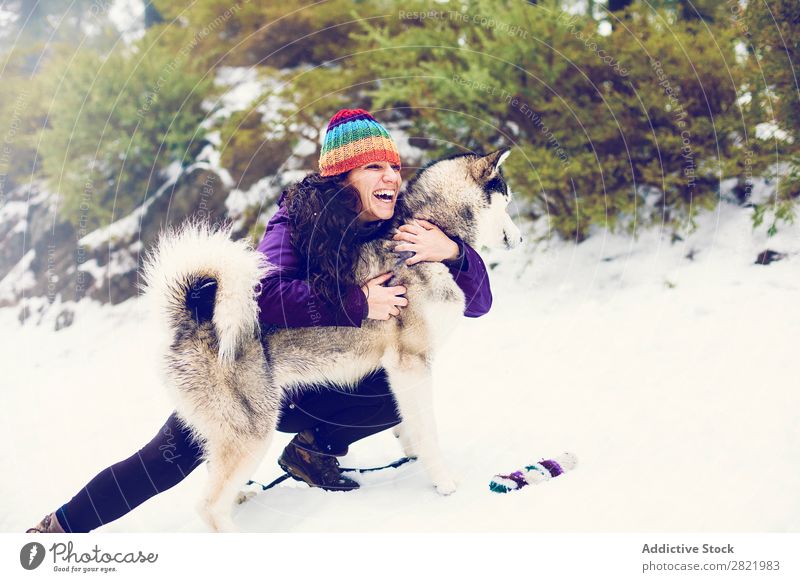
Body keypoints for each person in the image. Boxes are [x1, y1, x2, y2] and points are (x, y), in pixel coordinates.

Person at [27, 108, 493, 533]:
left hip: (308, 370)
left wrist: (454, 253)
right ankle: (58, 529)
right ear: (343, 177)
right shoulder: (296, 219)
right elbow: (261, 293)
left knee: (394, 386)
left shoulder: (403, 225)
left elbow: (477, 305)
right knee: (171, 456)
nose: (391, 176)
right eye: (374, 166)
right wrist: (355, 302)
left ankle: (313, 452)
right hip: (234, 357)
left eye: (393, 166)